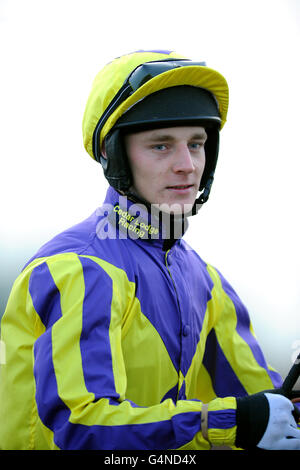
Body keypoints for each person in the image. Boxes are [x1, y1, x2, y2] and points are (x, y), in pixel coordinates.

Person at [0, 49, 299, 451]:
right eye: (161, 146)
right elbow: (80, 427)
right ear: (114, 153)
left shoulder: (207, 282)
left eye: (196, 143)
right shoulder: (78, 268)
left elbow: (269, 407)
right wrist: (225, 423)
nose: (187, 165)